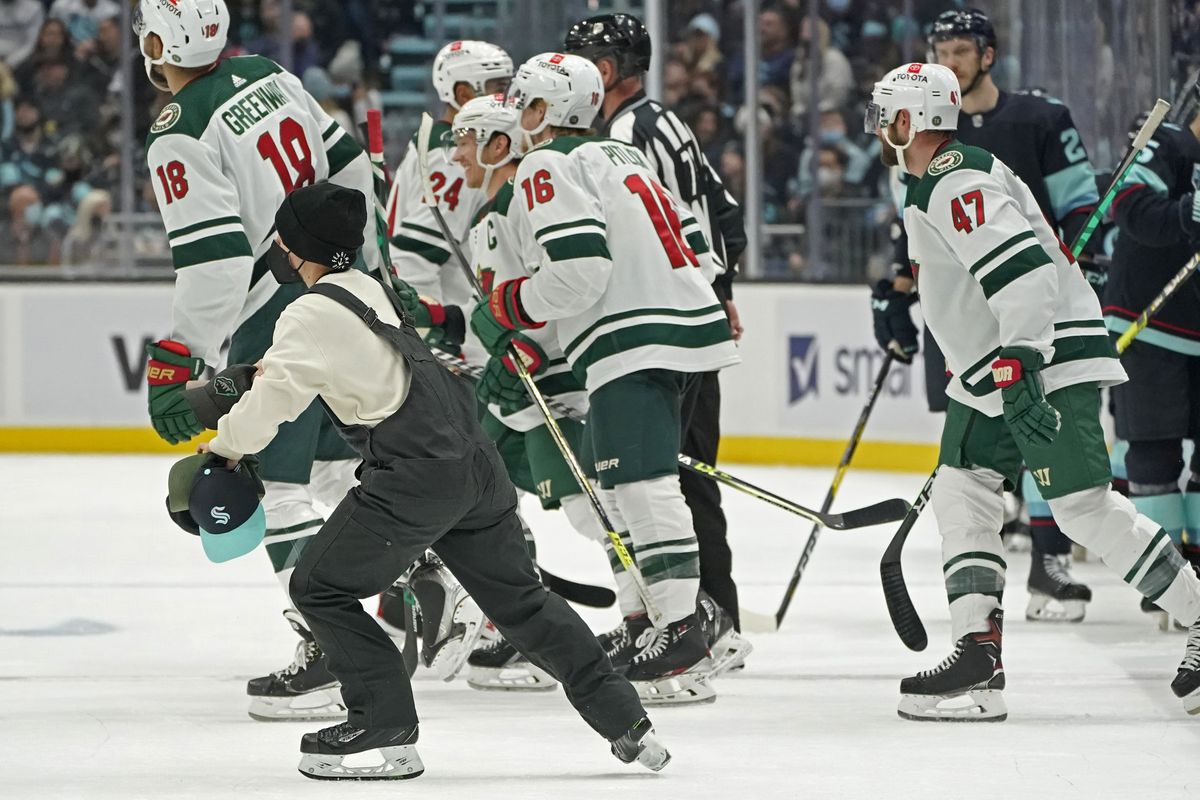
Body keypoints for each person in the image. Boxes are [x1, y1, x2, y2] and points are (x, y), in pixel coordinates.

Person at [198, 181, 669, 779]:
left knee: (317, 585)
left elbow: (275, 401)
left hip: (415, 476)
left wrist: (224, 450)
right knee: (523, 604)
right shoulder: (370, 292)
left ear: (296, 248)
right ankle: (629, 722)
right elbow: (336, 364)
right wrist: (271, 373)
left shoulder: (307, 311)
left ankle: (382, 725)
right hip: (475, 465)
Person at [865, 61, 1200, 721]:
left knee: (1083, 510)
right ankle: (976, 659)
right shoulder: (936, 180)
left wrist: (1019, 357)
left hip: (1042, 356)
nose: (879, 127)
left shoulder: (952, 178)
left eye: (885, 114)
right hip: (993, 369)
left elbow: (1023, 274)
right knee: (964, 493)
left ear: (908, 121)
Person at [134, 0, 379, 722]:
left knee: (277, 485)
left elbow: (214, 263)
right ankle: (424, 582)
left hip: (272, 310)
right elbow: (352, 165)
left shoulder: (178, 131)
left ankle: (332, 652)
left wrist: (184, 355)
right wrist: (354, 260)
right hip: (339, 279)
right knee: (343, 466)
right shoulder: (267, 74)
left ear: (156, 43)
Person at [470, 52, 741, 704]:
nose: (518, 114)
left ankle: (683, 631)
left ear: (543, 110)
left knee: (643, 487)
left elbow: (580, 270)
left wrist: (510, 305)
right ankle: (644, 620)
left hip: (635, 334)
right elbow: (699, 239)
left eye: (526, 103)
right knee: (616, 487)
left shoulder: (546, 164)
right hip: (674, 326)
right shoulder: (625, 156)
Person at [870, 7, 1101, 622]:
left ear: (988, 55)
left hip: (1030, 308)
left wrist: (1082, 263)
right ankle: (987, 600)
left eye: (962, 49)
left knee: (1042, 450)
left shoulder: (1039, 118)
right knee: (975, 460)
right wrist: (895, 285)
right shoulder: (910, 137)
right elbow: (912, 224)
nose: (950, 59)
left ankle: (1049, 564)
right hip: (970, 318)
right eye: (941, 48)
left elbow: (1080, 204)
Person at [564, 14, 749, 659]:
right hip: (690, 313)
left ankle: (696, 621)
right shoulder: (662, 121)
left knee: (661, 475)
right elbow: (722, 216)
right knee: (682, 473)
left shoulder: (620, 135)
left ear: (607, 71)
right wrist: (720, 294)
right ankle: (707, 615)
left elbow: (656, 229)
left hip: (663, 323)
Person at [1106, 95, 1200, 628]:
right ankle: (1165, 581)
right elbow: (1131, 207)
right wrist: (1193, 211)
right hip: (1150, 319)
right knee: (1154, 451)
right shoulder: (1165, 142)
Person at [382, 39, 512, 314]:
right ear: (464, 94)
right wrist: (429, 332)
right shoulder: (456, 157)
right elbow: (414, 256)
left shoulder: (443, 142)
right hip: (457, 330)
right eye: (498, 89)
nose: (507, 99)